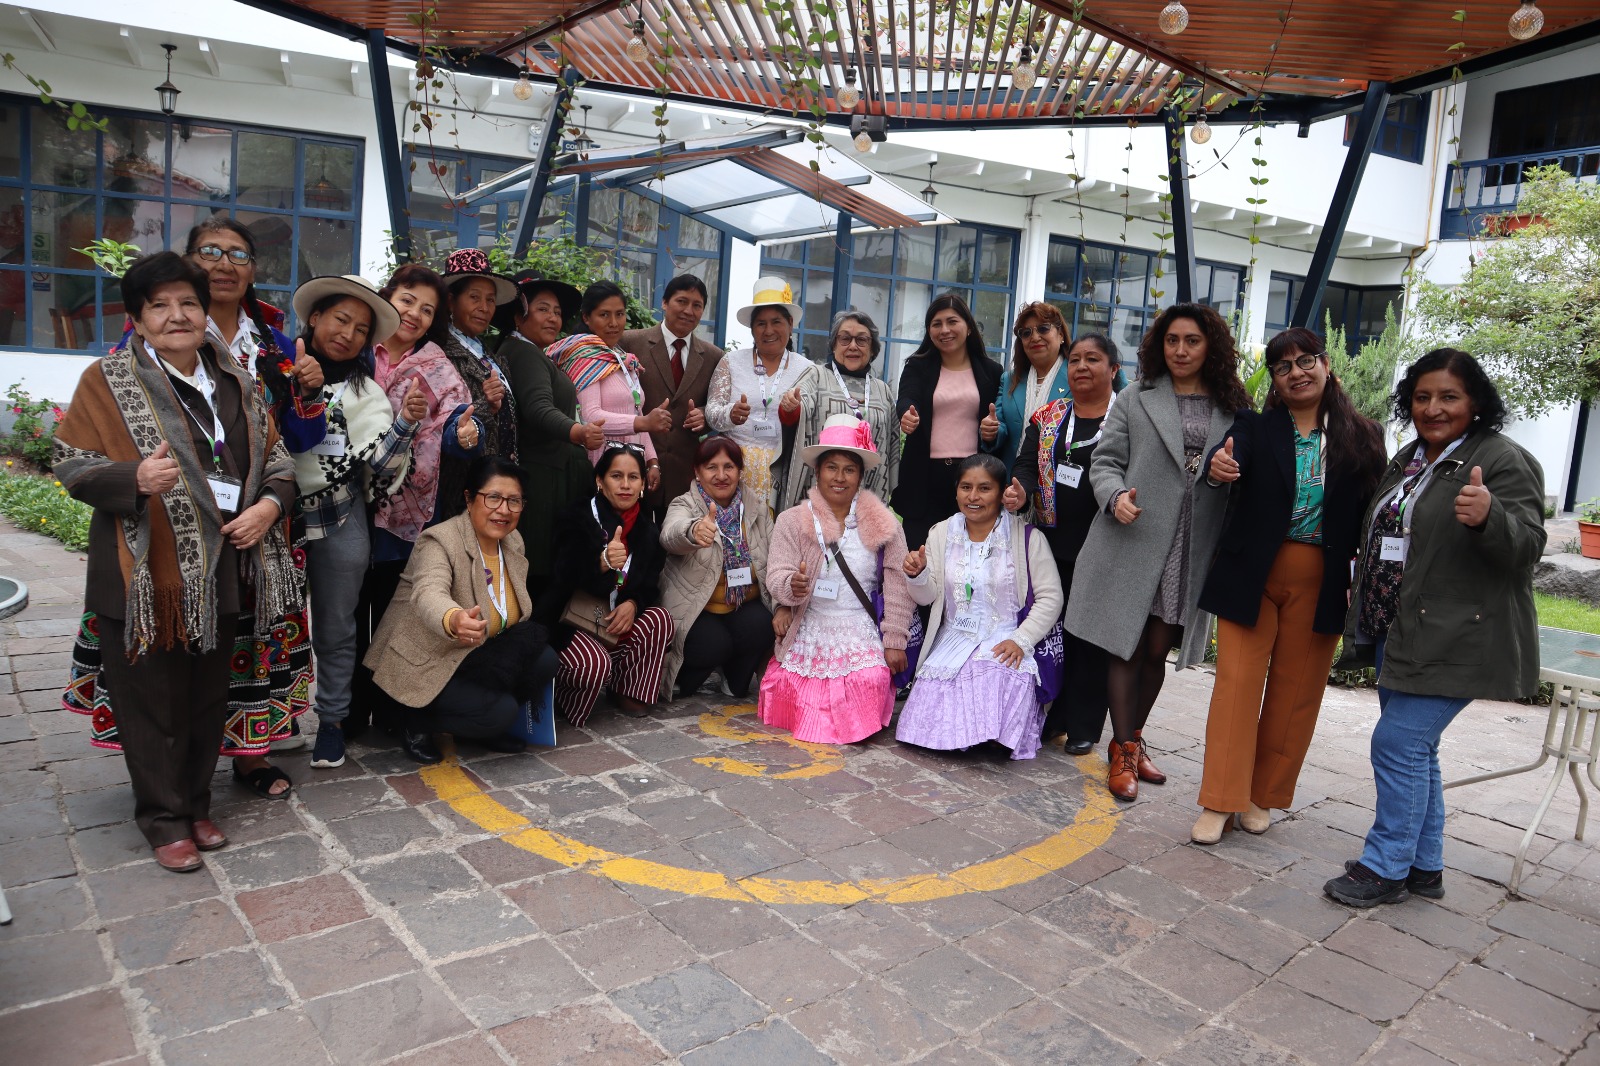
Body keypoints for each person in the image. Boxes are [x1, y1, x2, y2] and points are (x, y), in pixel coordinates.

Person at [54, 252, 299, 871]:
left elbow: (277, 459)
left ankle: (195, 802)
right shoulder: (106, 381)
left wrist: (269, 506)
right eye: (159, 305)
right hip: (145, 575)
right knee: (150, 698)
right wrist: (133, 477)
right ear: (137, 317)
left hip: (221, 567)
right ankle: (164, 819)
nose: (177, 315)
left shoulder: (236, 379)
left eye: (187, 302)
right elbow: (70, 463)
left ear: (205, 310)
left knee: (204, 696)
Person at [99, 217, 324, 794]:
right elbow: (106, 437)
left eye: (239, 254)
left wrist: (309, 396)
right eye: (210, 251)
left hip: (257, 521)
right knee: (179, 650)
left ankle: (248, 752)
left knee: (248, 636)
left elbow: (292, 443)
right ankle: (169, 777)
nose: (225, 263)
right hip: (174, 530)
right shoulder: (145, 345)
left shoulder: (273, 340)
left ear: (253, 270)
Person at [1323, 349, 1545, 906]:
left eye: (1449, 396)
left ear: (1475, 403)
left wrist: (1490, 515)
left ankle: (1385, 867)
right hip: (1401, 630)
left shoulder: (1501, 459)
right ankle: (1424, 866)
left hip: (1457, 635)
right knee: (1419, 750)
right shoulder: (1412, 457)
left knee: (1397, 743)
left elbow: (1528, 548)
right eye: (1422, 397)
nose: (1433, 407)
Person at [1189, 328, 1387, 844]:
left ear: (1327, 367)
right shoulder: (1254, 426)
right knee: (1236, 686)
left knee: (1295, 693)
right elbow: (1227, 464)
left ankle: (1262, 795)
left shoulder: (1363, 436)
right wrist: (1219, 468)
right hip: (1251, 572)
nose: (1297, 372)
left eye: (1306, 361)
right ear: (1274, 380)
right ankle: (1219, 799)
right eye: (1283, 366)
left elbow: (1372, 514)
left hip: (1321, 578)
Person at [1066, 303, 1250, 801]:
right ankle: (1123, 751)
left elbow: (1242, 478)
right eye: (1172, 341)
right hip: (1135, 537)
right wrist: (1114, 496)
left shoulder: (1233, 406)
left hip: (1191, 545)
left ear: (1210, 346)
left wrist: (1223, 477)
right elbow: (1104, 462)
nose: (1181, 350)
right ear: (1159, 346)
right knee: (1126, 643)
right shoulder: (1136, 397)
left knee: (1156, 649)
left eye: (1191, 340)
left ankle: (1131, 740)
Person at [343, 263, 481, 755]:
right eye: (407, 301)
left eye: (427, 310)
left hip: (409, 510)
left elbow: (460, 427)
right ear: (388, 298)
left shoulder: (439, 365)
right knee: (352, 613)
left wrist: (464, 436)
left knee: (400, 614)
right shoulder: (355, 347)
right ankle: (350, 713)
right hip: (345, 501)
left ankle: (403, 715)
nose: (415, 315)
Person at [291, 275, 421, 764]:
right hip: (273, 512)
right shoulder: (274, 370)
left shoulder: (366, 392)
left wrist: (405, 425)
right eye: (340, 319)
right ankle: (274, 719)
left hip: (340, 513)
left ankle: (331, 721)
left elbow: (383, 469)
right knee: (271, 622)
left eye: (361, 328)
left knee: (336, 626)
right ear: (316, 318)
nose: (347, 333)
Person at [366, 456, 557, 765]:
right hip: (431, 657)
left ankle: (479, 722)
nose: (504, 510)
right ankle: (414, 719)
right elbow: (429, 590)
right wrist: (453, 618)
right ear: (469, 499)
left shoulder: (513, 542)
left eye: (514, 501)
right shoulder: (440, 540)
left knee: (544, 658)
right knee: (501, 711)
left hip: (475, 653)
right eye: (493, 497)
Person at [896, 453, 1063, 759]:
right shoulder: (942, 533)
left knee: (999, 671)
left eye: (984, 489)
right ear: (956, 490)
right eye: (965, 487)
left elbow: (1051, 597)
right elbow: (926, 597)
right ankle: (970, 736)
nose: (973, 497)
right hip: (953, 639)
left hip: (1006, 637)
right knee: (939, 695)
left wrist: (1021, 641)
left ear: (1002, 494)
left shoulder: (1027, 537)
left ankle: (990, 736)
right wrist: (917, 575)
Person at [759, 415, 913, 744]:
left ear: (860, 476)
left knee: (867, 680)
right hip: (810, 623)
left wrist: (895, 641)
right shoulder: (792, 520)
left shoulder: (884, 525)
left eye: (849, 469)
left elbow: (898, 585)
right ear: (817, 472)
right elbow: (777, 571)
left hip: (859, 625)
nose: (839, 477)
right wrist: (790, 591)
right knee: (800, 689)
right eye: (831, 467)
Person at [1006, 332, 1123, 753]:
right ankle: (1053, 712)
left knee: (1089, 635)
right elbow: (1024, 461)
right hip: (1052, 543)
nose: (1081, 367)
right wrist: (1019, 487)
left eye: (1093, 359)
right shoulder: (1049, 415)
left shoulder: (1127, 417)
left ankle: (1086, 723)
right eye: (1074, 359)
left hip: (1107, 545)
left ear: (1114, 369)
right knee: (1053, 630)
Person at [535, 443, 675, 726]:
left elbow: (649, 585)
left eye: (633, 477)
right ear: (600, 480)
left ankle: (628, 690)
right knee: (593, 665)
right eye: (616, 476)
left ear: (643, 484)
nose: (625, 485)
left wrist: (633, 604)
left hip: (613, 623)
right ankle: (565, 694)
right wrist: (601, 561)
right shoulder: (578, 516)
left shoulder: (648, 528)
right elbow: (562, 574)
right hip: (573, 624)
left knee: (660, 619)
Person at [493, 270, 600, 580]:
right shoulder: (524, 353)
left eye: (556, 311)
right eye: (542, 309)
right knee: (541, 570)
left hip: (550, 474)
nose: (553, 318)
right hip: (544, 480)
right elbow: (538, 408)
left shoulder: (531, 351)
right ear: (518, 315)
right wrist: (578, 432)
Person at [659, 437, 775, 699]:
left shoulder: (756, 508)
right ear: (698, 473)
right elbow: (669, 534)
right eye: (711, 467)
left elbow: (775, 558)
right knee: (714, 645)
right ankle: (685, 677)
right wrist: (693, 531)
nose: (721, 475)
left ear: (740, 471)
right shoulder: (684, 504)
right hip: (697, 608)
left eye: (729, 467)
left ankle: (735, 676)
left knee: (764, 625)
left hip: (743, 604)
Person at [893, 294, 1004, 552]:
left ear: (967, 326)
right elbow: (907, 397)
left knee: (969, 554)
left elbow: (996, 422)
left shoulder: (992, 371)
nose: (944, 330)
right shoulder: (917, 367)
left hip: (972, 478)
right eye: (936, 323)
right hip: (925, 477)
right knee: (921, 554)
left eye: (952, 321)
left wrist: (991, 431)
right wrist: (907, 415)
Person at [549, 281, 666, 494]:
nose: (614, 322)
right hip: (598, 468)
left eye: (619, 314)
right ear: (586, 317)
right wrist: (643, 422)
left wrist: (652, 461)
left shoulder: (621, 358)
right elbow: (590, 416)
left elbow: (636, 412)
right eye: (604, 315)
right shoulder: (585, 356)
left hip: (629, 469)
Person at [778, 310, 901, 512]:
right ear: (834, 344)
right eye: (845, 339)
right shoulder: (815, 375)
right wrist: (791, 407)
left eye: (861, 340)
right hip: (817, 491)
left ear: (872, 348)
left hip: (869, 495)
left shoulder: (882, 390)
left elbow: (892, 441)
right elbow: (797, 408)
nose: (853, 346)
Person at [621, 274, 724, 515]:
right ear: (665, 303)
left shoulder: (713, 357)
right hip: (634, 468)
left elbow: (717, 406)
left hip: (684, 476)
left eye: (697, 305)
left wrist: (705, 416)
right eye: (682, 301)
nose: (689, 310)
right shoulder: (630, 343)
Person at [706, 277, 810, 513]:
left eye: (776, 322)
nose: (769, 330)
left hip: (783, 470)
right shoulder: (731, 362)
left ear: (790, 324)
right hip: (733, 470)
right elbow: (712, 414)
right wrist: (730, 414)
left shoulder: (807, 370)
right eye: (761, 323)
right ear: (752, 328)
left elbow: (812, 424)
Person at [436, 248, 518, 520]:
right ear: (450, 301)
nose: (484, 308)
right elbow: (441, 424)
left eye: (490, 300)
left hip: (497, 480)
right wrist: (487, 407)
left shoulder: (491, 355)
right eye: (474, 298)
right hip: (463, 486)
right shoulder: (439, 353)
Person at [987, 301, 1074, 470]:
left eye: (1043, 328)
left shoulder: (1077, 376)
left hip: (1058, 485)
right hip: (1012, 482)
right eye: (1026, 333)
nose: (1034, 337)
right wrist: (991, 431)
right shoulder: (1010, 379)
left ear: (1061, 334)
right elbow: (1001, 428)